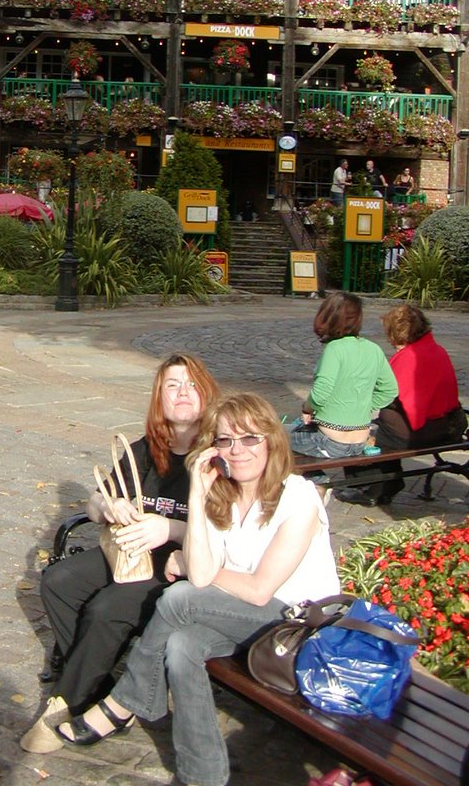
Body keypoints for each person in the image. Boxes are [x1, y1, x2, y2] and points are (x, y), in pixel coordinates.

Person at [55, 392, 340, 786]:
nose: (237, 450)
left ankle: (124, 702)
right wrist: (197, 492)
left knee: (180, 597)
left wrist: (194, 567)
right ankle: (201, 775)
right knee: (181, 645)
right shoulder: (221, 495)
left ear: (272, 441)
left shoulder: (299, 497)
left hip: (297, 625)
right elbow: (205, 573)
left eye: (249, 438)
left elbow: (257, 590)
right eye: (225, 440)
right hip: (242, 617)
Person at [20, 353, 220, 754]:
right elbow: (96, 503)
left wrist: (169, 528)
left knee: (106, 608)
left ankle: (65, 703)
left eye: (191, 385)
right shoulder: (146, 449)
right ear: (158, 398)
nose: (183, 393)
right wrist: (106, 507)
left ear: (207, 394)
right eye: (172, 385)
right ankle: (108, 691)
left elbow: (227, 532)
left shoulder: (217, 453)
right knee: (59, 581)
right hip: (129, 554)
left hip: (181, 564)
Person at [336, 304, 468, 507]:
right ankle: (385, 483)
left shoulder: (408, 358)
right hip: (450, 425)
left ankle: (376, 486)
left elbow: (381, 394)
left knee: (359, 432)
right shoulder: (436, 349)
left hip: (426, 431)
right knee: (383, 426)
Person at [290, 292, 397, 464]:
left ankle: (318, 484)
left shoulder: (334, 349)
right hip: (360, 439)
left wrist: (307, 408)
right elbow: (390, 389)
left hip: (330, 440)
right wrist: (365, 406)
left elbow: (320, 394)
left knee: (279, 440)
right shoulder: (373, 349)